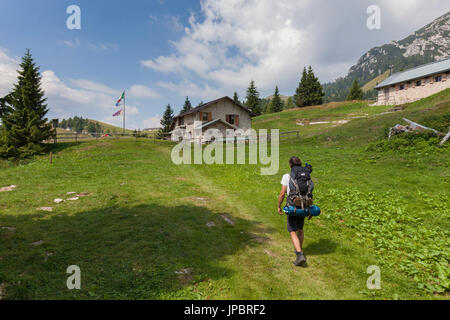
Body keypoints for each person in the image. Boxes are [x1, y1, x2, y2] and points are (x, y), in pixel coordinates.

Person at [277, 156, 313, 266]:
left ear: (290, 165)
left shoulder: (287, 176)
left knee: (292, 230)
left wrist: (279, 206)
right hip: (304, 204)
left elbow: (282, 193)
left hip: (293, 204)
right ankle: (299, 250)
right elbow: (309, 191)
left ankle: (299, 254)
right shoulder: (305, 176)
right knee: (300, 228)